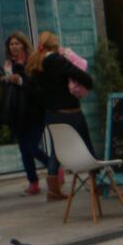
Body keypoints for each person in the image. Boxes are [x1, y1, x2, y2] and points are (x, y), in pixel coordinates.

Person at [27, 31, 93, 203]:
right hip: (70, 112)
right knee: (87, 146)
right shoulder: (57, 60)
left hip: (51, 115)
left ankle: (53, 189)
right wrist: (88, 83)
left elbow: (33, 90)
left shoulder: (36, 63)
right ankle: (97, 182)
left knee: (57, 149)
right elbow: (80, 75)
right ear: (54, 44)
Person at [1, 31, 52, 198]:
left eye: (17, 43)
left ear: (23, 44)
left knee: (31, 146)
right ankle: (33, 182)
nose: (14, 47)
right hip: (18, 111)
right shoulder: (8, 65)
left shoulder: (32, 61)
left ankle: (53, 167)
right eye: (11, 44)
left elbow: (37, 87)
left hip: (34, 111)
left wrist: (20, 81)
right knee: (24, 149)